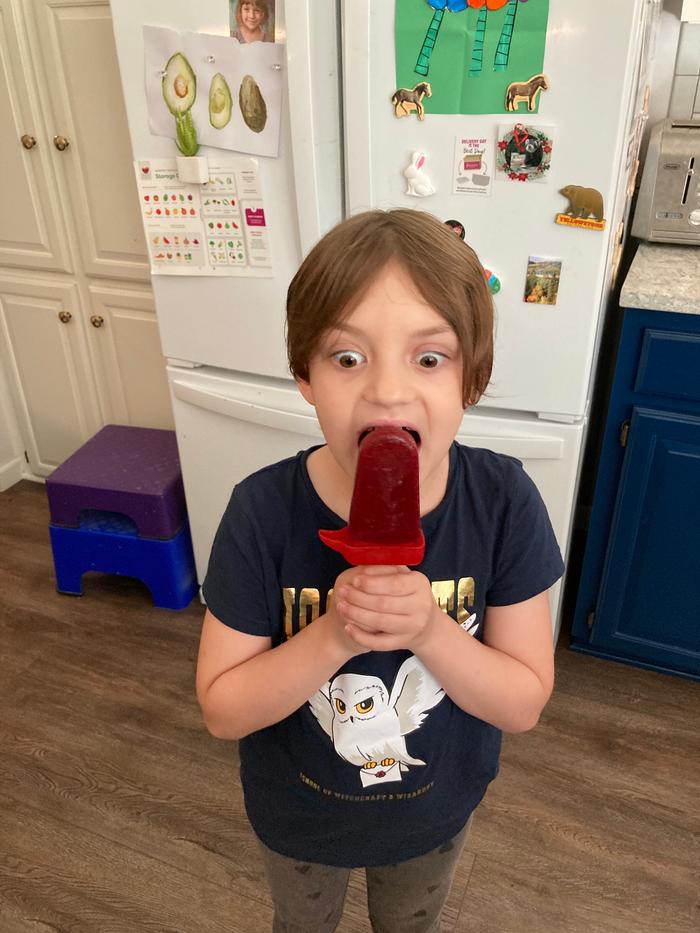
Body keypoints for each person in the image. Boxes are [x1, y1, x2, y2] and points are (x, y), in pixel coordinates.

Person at [196, 209, 564, 933]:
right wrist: (334, 635)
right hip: (298, 814)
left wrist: (428, 627)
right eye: (347, 357)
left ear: (473, 378)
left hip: (434, 809)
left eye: (429, 358)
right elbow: (221, 707)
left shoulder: (503, 504)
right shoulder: (261, 512)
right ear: (304, 375)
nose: (388, 392)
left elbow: (522, 703)